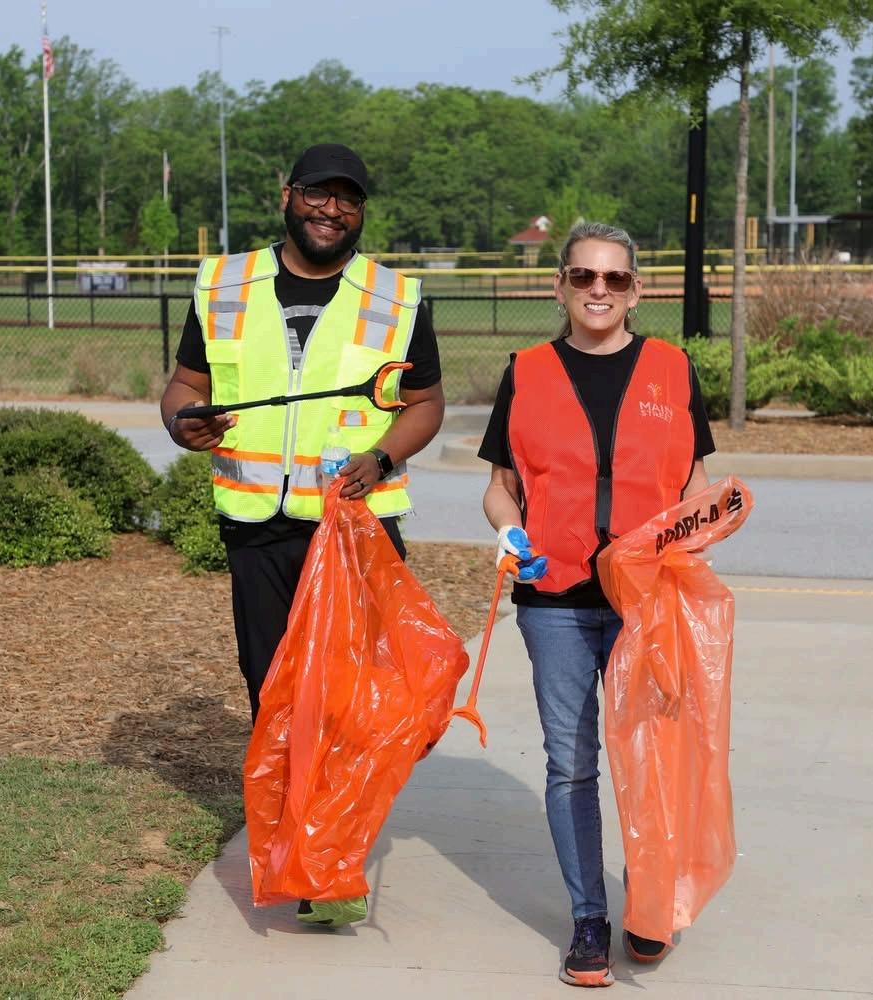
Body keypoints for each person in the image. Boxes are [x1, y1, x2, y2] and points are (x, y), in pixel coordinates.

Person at [159, 143, 445, 928]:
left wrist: (382, 456)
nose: (332, 210)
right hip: (257, 528)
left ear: (361, 212)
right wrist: (183, 422)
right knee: (272, 692)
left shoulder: (395, 297)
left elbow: (425, 403)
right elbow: (185, 384)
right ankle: (300, 841)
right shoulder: (225, 285)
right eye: (319, 193)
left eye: (348, 199)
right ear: (287, 195)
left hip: (353, 530)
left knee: (350, 700)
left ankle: (329, 863)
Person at [478, 221, 715, 987]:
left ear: (636, 291)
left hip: (647, 601)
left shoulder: (673, 369)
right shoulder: (526, 373)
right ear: (561, 287)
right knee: (572, 765)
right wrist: (509, 531)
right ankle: (589, 919)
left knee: (650, 761)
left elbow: (696, 488)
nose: (598, 290)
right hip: (554, 601)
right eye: (583, 276)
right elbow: (500, 488)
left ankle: (650, 903)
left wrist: (691, 547)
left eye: (614, 278)